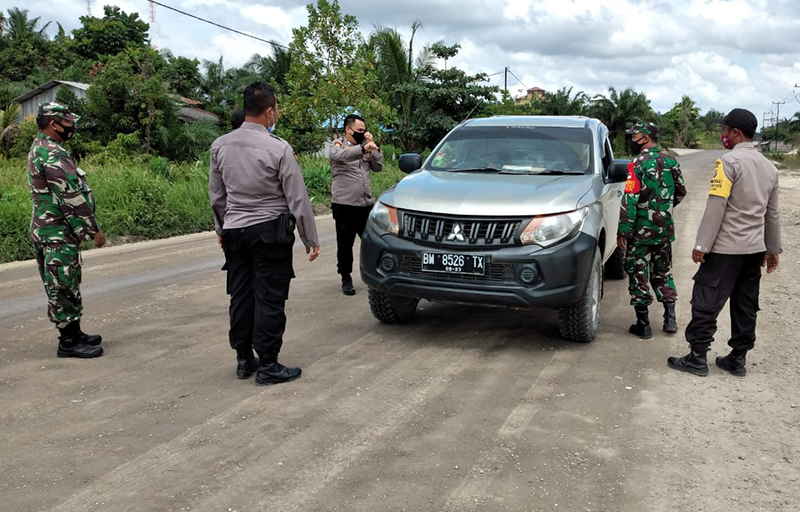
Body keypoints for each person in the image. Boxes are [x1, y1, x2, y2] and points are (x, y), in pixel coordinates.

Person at [209, 82, 320, 386]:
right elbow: (297, 197)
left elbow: (217, 196)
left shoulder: (220, 146)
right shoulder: (279, 148)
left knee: (241, 296)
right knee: (269, 298)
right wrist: (310, 237)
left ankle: (244, 359)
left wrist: (221, 227)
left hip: (235, 232)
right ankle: (268, 365)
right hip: (269, 232)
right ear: (270, 112)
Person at [668, 108, 781, 377]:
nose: (723, 134)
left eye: (725, 130)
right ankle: (737, 359)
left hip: (726, 250)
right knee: (745, 304)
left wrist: (702, 245)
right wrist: (772, 249)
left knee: (706, 300)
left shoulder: (728, 162)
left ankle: (697, 358)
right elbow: (772, 213)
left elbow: (717, 204)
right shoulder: (769, 167)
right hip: (754, 250)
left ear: (736, 132)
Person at [27, 102, 106, 358]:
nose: (72, 126)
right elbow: (70, 195)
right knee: (61, 285)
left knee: (67, 281)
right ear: (54, 124)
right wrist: (93, 230)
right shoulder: (50, 153)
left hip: (55, 230)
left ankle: (75, 331)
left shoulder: (45, 147)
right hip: (56, 232)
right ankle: (68, 342)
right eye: (68, 122)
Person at [617, 121, 687, 339]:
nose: (631, 140)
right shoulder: (671, 161)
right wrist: (663, 210)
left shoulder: (637, 164)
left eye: (634, 136)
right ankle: (670, 319)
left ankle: (644, 325)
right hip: (663, 230)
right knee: (663, 272)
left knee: (638, 273)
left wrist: (624, 231)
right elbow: (681, 192)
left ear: (645, 138)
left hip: (640, 232)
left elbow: (630, 199)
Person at [329, 114, 383, 295]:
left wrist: (372, 148)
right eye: (359, 130)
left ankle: (376, 276)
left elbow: (378, 167)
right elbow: (339, 156)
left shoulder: (366, 148)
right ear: (348, 129)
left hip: (365, 204)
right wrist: (362, 148)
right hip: (344, 205)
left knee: (372, 242)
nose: (362, 133)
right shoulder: (337, 145)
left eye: (364, 130)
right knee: (345, 244)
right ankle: (346, 277)